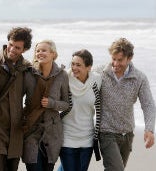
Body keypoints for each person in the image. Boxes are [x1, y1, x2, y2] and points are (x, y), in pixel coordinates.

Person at [97, 38, 156, 171]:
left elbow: (148, 105)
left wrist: (149, 129)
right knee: (116, 169)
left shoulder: (139, 78)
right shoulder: (100, 73)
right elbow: (80, 79)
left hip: (127, 135)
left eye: (120, 60)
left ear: (130, 58)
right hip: (106, 132)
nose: (115, 63)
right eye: (113, 59)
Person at [0, 27, 33, 171]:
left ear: (24, 50)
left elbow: (31, 100)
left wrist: (24, 117)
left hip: (16, 131)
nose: (12, 49)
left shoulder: (26, 69)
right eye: (10, 44)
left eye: (17, 47)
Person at [22, 40, 70, 171]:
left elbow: (67, 104)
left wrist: (52, 103)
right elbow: (17, 99)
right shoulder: (28, 74)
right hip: (31, 131)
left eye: (44, 50)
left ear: (53, 54)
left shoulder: (62, 75)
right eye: (37, 51)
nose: (40, 53)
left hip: (52, 134)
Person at [58, 49, 102, 171]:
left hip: (87, 138)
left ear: (89, 67)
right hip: (67, 137)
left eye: (78, 65)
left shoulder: (96, 80)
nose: (74, 68)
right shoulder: (64, 78)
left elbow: (110, 67)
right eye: (72, 64)